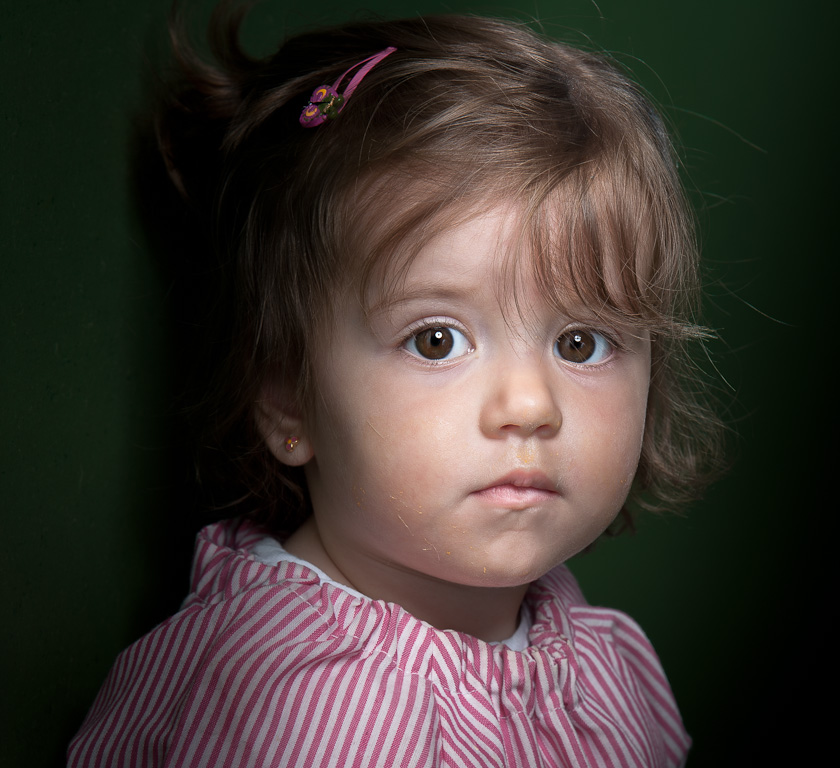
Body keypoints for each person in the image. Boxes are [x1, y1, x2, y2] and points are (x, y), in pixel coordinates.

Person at [68, 5, 723, 766]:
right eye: (436, 340)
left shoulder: (600, 659)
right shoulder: (296, 706)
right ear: (288, 398)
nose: (531, 405)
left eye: (582, 343)